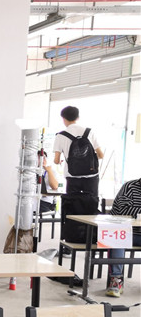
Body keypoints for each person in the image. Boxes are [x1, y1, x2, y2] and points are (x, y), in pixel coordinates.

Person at [54, 106, 104, 250]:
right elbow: (101, 155)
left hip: (72, 177)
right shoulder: (89, 131)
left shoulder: (61, 135)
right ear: (78, 117)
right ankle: (92, 240)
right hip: (91, 177)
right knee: (91, 207)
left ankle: (70, 242)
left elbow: (56, 160)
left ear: (63, 119)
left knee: (71, 208)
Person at [106, 178, 141, 297]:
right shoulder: (129, 187)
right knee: (117, 238)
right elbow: (122, 210)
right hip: (126, 232)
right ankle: (116, 280)